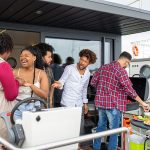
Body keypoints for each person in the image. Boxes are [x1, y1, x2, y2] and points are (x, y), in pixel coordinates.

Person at [90, 51, 150, 150]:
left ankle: (96, 148)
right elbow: (130, 91)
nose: (127, 66)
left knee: (101, 127)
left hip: (101, 104)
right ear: (126, 61)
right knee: (114, 131)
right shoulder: (121, 71)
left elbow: (93, 82)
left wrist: (103, 89)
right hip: (113, 106)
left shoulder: (103, 67)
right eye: (128, 64)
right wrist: (143, 103)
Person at [52, 49, 97, 149]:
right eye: (81, 59)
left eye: (85, 61)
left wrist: (85, 103)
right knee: (67, 127)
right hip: (67, 102)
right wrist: (58, 84)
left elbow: (84, 88)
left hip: (79, 104)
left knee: (79, 127)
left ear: (89, 63)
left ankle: (77, 146)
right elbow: (62, 81)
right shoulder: (69, 68)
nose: (82, 62)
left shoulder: (88, 73)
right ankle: (67, 147)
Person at [13, 45, 49, 121]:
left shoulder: (41, 73)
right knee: (18, 131)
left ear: (34, 58)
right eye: (21, 56)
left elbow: (45, 95)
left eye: (26, 56)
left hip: (35, 109)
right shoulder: (15, 72)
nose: (23, 58)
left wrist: (31, 85)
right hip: (17, 108)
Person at [0, 33, 20, 142]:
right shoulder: (3, 65)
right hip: (2, 107)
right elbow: (11, 95)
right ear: (8, 49)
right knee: (4, 141)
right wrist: (17, 82)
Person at [34, 43, 54, 108]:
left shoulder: (48, 69)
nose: (51, 59)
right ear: (41, 57)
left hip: (46, 105)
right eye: (49, 57)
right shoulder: (32, 70)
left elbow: (52, 84)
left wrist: (50, 99)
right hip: (33, 107)